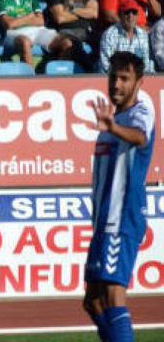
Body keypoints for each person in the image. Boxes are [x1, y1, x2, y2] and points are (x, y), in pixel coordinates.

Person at [83, 51, 154, 342]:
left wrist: (113, 127)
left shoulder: (140, 113)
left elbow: (140, 137)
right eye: (113, 77)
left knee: (113, 296)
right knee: (93, 300)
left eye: (125, 78)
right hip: (104, 222)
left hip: (122, 219)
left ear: (139, 82)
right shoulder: (113, 120)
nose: (116, 84)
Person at [46, 0, 99, 71]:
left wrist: (71, 10)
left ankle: (101, 73)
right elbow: (59, 18)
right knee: (71, 45)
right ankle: (88, 73)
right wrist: (84, 13)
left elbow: (94, 13)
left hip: (85, 31)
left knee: (104, 40)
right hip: (64, 31)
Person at [99, 0, 154, 73]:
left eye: (134, 12)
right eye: (127, 12)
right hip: (114, 78)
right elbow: (106, 65)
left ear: (138, 15)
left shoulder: (143, 35)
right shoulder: (109, 35)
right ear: (120, 15)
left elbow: (145, 63)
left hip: (136, 78)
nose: (131, 16)